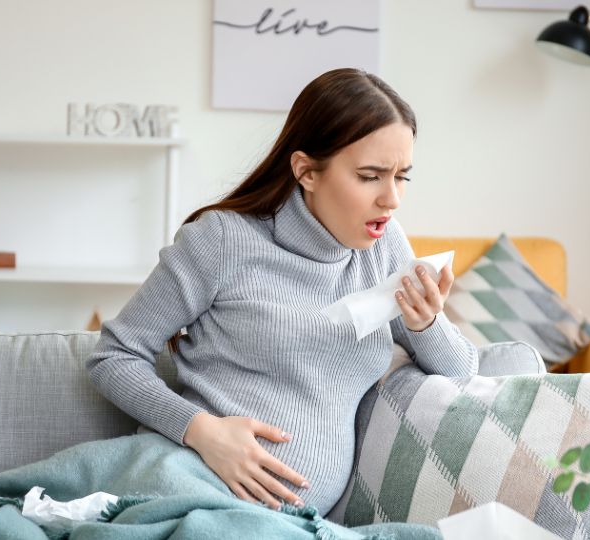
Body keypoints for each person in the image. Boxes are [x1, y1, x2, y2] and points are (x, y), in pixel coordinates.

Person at [86, 67, 479, 517]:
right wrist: (201, 431)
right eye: (370, 176)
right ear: (306, 171)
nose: (391, 199)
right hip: (187, 483)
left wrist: (426, 322)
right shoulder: (221, 240)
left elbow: (462, 371)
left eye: (402, 176)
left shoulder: (383, 248)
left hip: (284, 522)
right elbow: (112, 357)